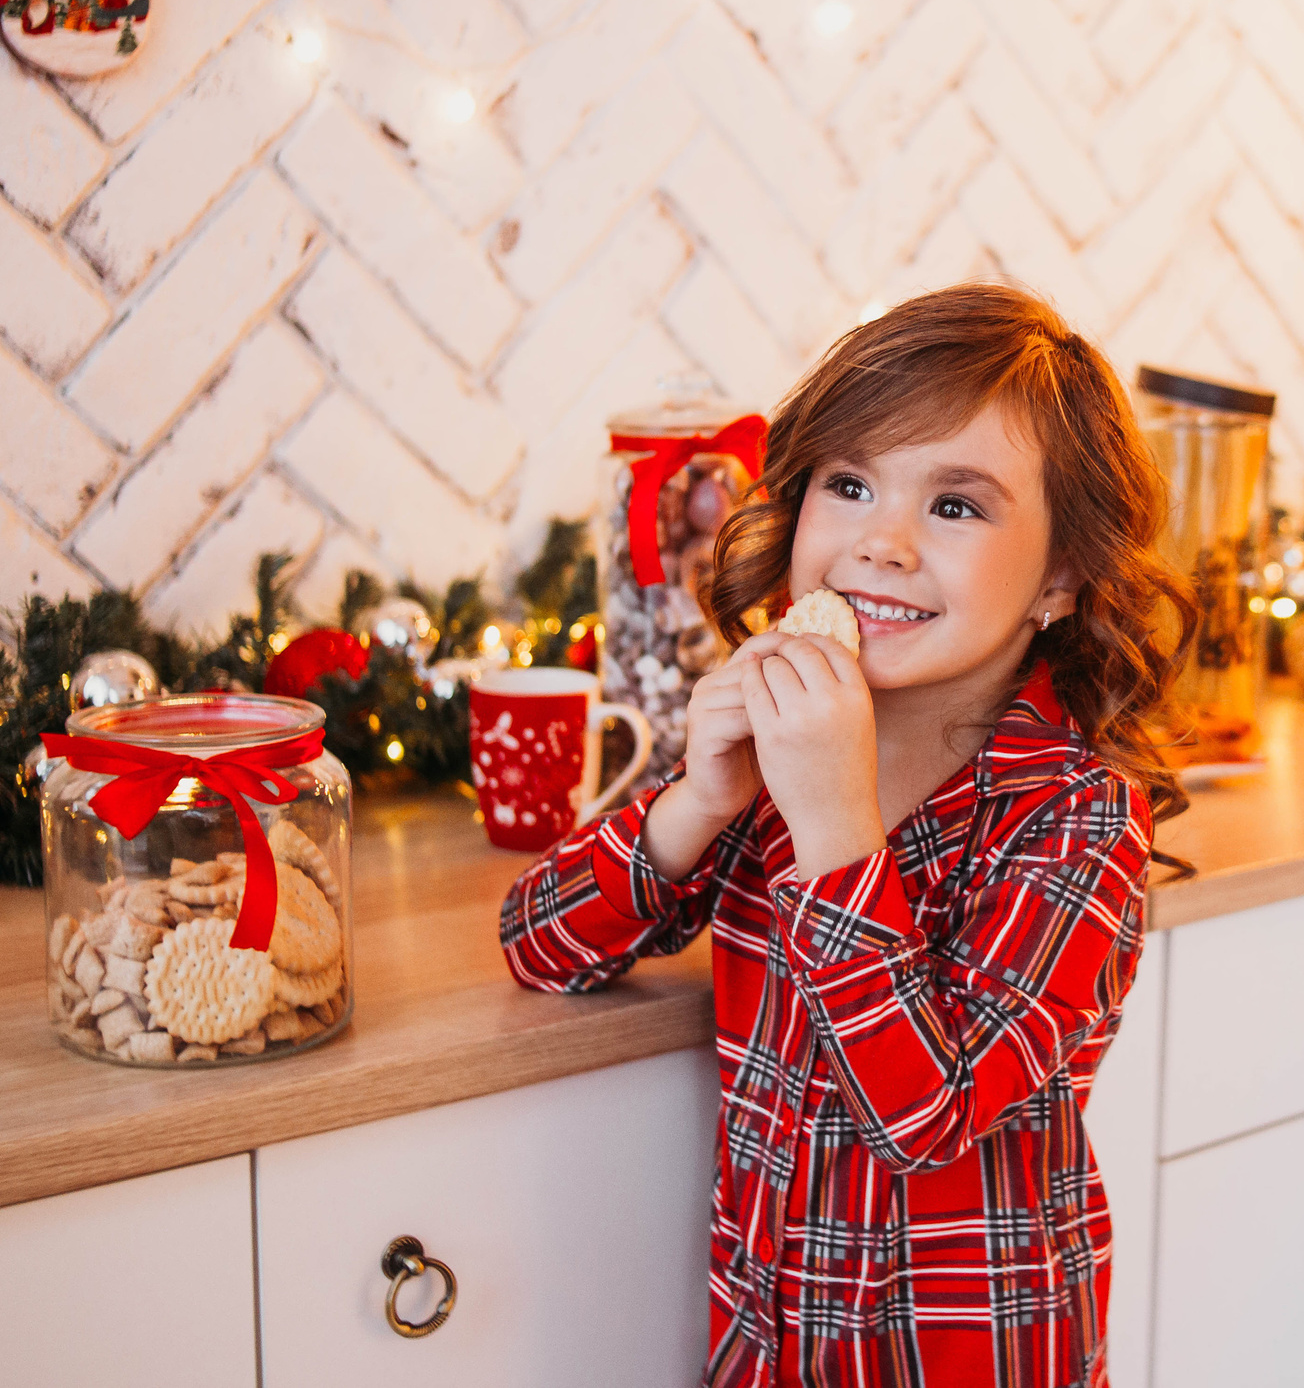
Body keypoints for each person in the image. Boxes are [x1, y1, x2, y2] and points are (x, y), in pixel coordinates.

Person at [501, 284, 1194, 1387]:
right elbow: (538, 943)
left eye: (956, 506)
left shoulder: (1073, 819)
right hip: (767, 1350)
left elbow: (924, 1114)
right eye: (851, 483)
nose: (882, 542)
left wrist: (830, 819)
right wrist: (699, 801)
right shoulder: (778, 755)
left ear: (1061, 575)